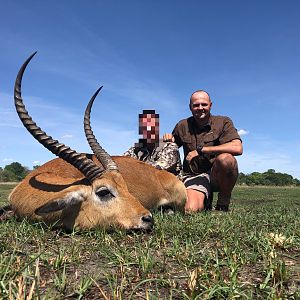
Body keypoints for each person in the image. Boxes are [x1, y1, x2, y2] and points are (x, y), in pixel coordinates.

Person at [163, 90, 243, 213]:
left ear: (210, 105)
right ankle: (204, 199)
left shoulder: (223, 122)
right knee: (190, 209)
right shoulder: (182, 125)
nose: (200, 108)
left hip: (215, 175)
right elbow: (173, 145)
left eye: (204, 104)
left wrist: (201, 150)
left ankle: (223, 203)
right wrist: (169, 140)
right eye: (196, 105)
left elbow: (237, 148)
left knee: (226, 159)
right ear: (190, 107)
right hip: (193, 175)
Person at [124, 109, 182, 176]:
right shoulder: (136, 149)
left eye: (151, 126)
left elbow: (158, 167)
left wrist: (130, 166)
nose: (148, 129)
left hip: (169, 184)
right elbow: (121, 162)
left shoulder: (170, 146)